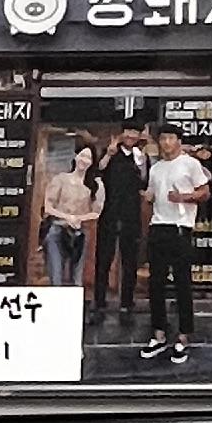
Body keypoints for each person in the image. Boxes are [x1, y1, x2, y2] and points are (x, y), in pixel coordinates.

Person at [140, 121, 212, 365]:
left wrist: (184, 197)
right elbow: (151, 195)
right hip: (158, 227)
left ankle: (183, 337)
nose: (166, 142)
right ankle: (158, 334)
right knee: (155, 284)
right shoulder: (156, 168)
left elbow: (205, 192)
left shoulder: (190, 164)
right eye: (163, 138)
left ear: (179, 141)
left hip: (180, 228)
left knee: (182, 283)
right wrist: (146, 197)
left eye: (171, 138)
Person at [93, 127, 149, 325]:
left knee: (130, 261)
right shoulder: (111, 153)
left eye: (135, 133)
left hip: (131, 215)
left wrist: (141, 162)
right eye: (128, 131)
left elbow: (145, 182)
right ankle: (99, 302)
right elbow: (98, 171)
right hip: (109, 212)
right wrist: (108, 154)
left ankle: (126, 303)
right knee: (103, 259)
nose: (131, 136)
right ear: (122, 134)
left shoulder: (141, 157)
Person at [40, 137, 99, 290]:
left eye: (88, 158)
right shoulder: (61, 179)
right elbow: (48, 207)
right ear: (75, 156)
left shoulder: (94, 185)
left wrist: (78, 218)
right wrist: (68, 217)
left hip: (79, 233)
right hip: (57, 230)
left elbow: (96, 212)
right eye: (82, 155)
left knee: (76, 280)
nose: (84, 160)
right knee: (56, 277)